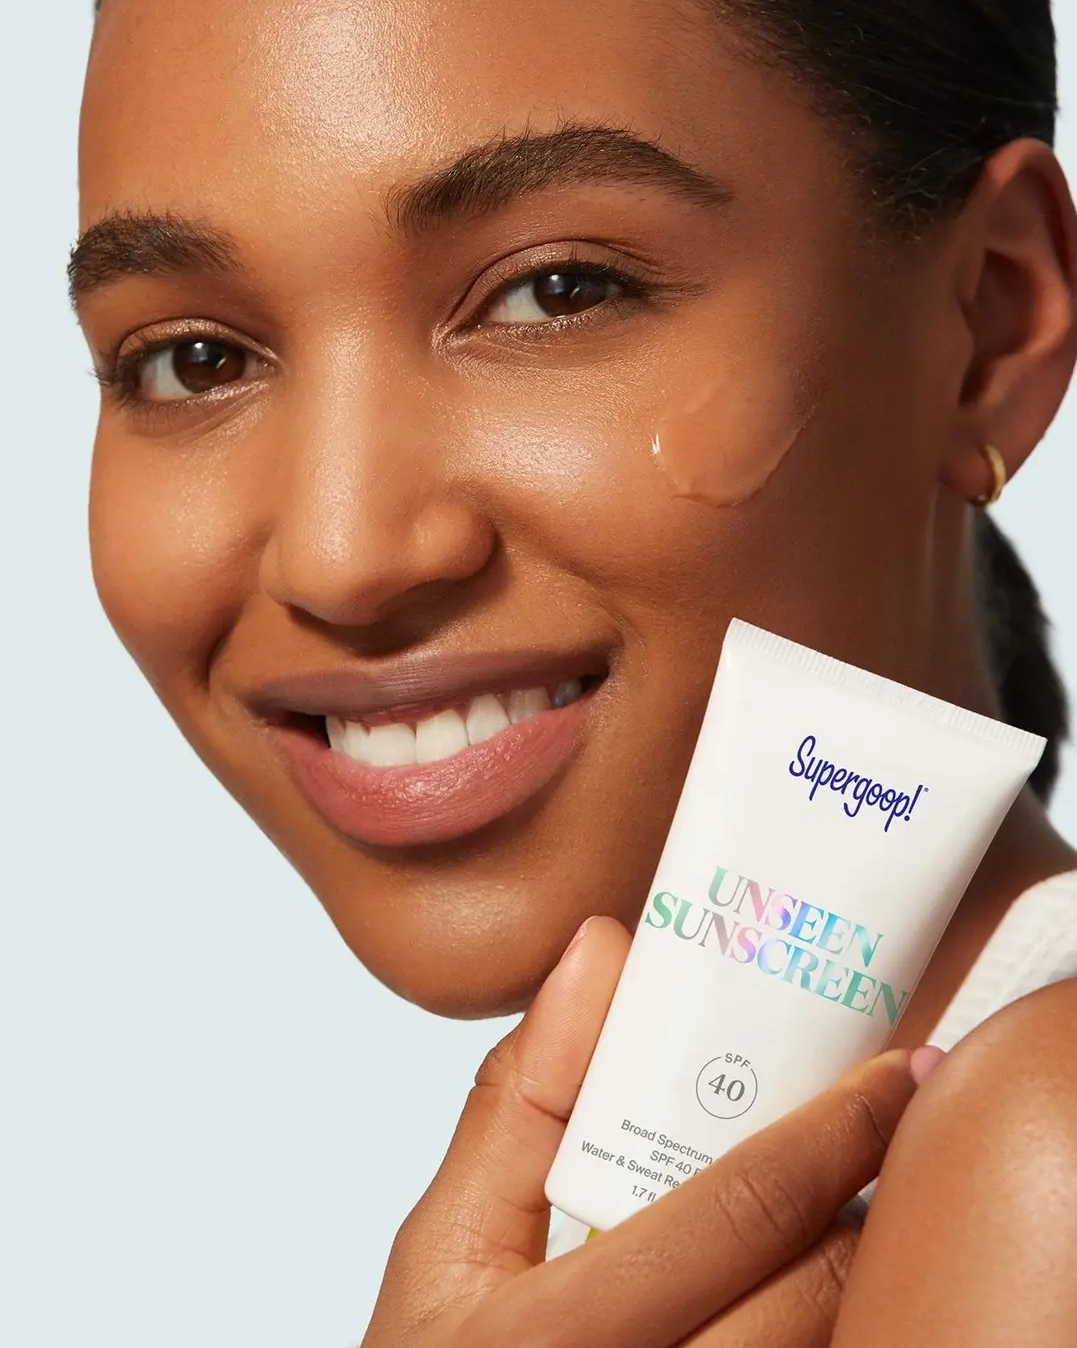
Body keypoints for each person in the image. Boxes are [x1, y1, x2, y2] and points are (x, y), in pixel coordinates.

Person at [73, 0, 1077, 1342]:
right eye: (192, 361)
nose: (341, 553)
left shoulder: (1049, 1152)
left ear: (988, 328)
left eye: (556, 290)